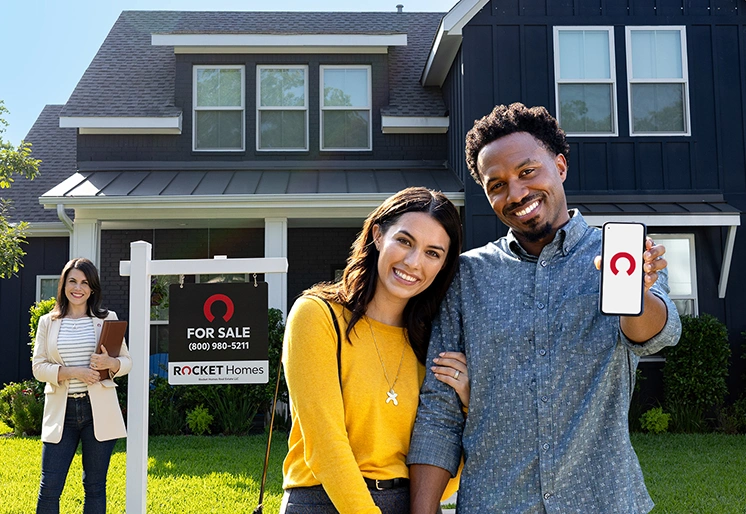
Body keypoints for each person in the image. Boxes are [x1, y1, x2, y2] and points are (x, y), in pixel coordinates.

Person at [407, 103, 682, 513]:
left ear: (560, 166)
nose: (515, 193)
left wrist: (635, 295)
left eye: (527, 172)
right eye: (496, 184)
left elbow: (657, 334)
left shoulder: (622, 255)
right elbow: (440, 411)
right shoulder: (466, 277)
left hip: (603, 501)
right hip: (495, 503)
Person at [281, 187, 468, 514]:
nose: (413, 262)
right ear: (379, 235)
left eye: (433, 253)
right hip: (325, 500)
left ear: (443, 266)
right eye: (405, 241)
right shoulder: (317, 315)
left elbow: (444, 468)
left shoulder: (432, 342)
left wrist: (467, 405)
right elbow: (325, 447)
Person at [32, 257, 132, 514]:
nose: (78, 288)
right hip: (61, 412)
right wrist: (73, 372)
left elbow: (126, 362)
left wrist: (110, 362)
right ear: (64, 284)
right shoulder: (48, 321)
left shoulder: (107, 318)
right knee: (50, 486)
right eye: (73, 281)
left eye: (85, 282)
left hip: (98, 411)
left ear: (93, 288)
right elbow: (38, 367)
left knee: (95, 486)